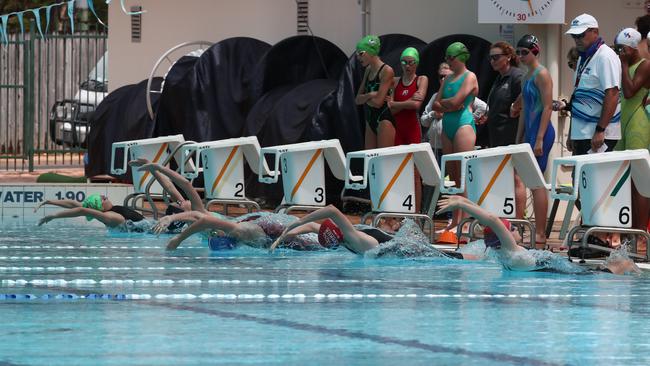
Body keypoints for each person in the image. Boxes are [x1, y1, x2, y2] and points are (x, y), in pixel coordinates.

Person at [436, 195, 641, 275]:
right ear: (505, 235)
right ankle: (627, 263)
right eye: (513, 229)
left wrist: (465, 202)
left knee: (597, 272)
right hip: (556, 268)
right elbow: (493, 220)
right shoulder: (511, 249)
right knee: (600, 275)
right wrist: (462, 204)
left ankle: (625, 263)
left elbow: (490, 224)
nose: (517, 230)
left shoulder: (498, 253)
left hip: (550, 267)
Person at [268, 204, 478, 259]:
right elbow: (314, 227)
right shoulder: (343, 236)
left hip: (404, 249)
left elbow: (331, 210)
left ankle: (476, 258)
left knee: (445, 257)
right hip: (393, 246)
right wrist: (285, 235)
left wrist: (295, 224)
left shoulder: (353, 238)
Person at [431, 42, 479, 232]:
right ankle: (454, 221)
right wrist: (448, 104)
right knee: (451, 174)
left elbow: (458, 101)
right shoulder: (447, 79)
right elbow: (435, 104)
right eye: (446, 58)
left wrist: (448, 104)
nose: (448, 61)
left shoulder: (470, 76)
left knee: (462, 173)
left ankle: (465, 221)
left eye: (451, 57)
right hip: (448, 125)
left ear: (461, 57)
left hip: (463, 125)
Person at [515, 35, 556, 247]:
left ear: (535, 51)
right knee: (524, 180)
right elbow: (524, 110)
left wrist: (539, 138)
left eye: (525, 52)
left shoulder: (543, 74)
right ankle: (520, 227)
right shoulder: (526, 76)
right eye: (518, 52)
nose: (521, 56)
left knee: (537, 183)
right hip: (530, 133)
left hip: (543, 132)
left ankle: (540, 233)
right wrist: (519, 137)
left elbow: (548, 106)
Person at [565, 13, 621, 155]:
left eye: (580, 35)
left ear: (595, 32)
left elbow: (613, 93)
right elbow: (578, 97)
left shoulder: (605, 56)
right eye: (574, 36)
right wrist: (573, 132)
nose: (576, 39)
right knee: (578, 177)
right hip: (582, 134)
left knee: (594, 177)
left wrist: (600, 130)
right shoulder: (583, 58)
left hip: (598, 134)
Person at [614, 28, 650, 234]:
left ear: (633, 48)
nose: (620, 52)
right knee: (624, 179)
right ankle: (629, 231)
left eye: (622, 49)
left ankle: (641, 233)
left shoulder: (645, 65)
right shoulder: (625, 64)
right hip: (623, 124)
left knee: (639, 182)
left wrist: (624, 64)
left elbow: (629, 93)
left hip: (638, 126)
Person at [389, 47, 428, 213]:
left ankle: (417, 214)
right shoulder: (395, 81)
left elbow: (417, 105)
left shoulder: (421, 80)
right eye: (404, 62)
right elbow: (391, 110)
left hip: (413, 130)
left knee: (414, 175)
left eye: (410, 62)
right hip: (398, 131)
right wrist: (408, 102)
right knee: (398, 172)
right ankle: (400, 212)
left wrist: (398, 104)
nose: (407, 66)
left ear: (416, 63)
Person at [355, 35, 396, 149]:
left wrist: (366, 99)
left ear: (371, 52)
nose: (358, 57)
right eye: (357, 54)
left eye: (361, 53)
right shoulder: (368, 70)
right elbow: (357, 99)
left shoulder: (387, 71)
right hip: (370, 119)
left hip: (384, 119)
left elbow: (378, 103)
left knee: (383, 162)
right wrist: (370, 94)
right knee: (370, 162)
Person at [35, 194, 146, 229]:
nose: (104, 196)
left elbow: (73, 204)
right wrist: (53, 216)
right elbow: (83, 210)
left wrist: (49, 201)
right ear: (100, 208)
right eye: (102, 199)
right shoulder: (110, 216)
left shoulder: (108, 212)